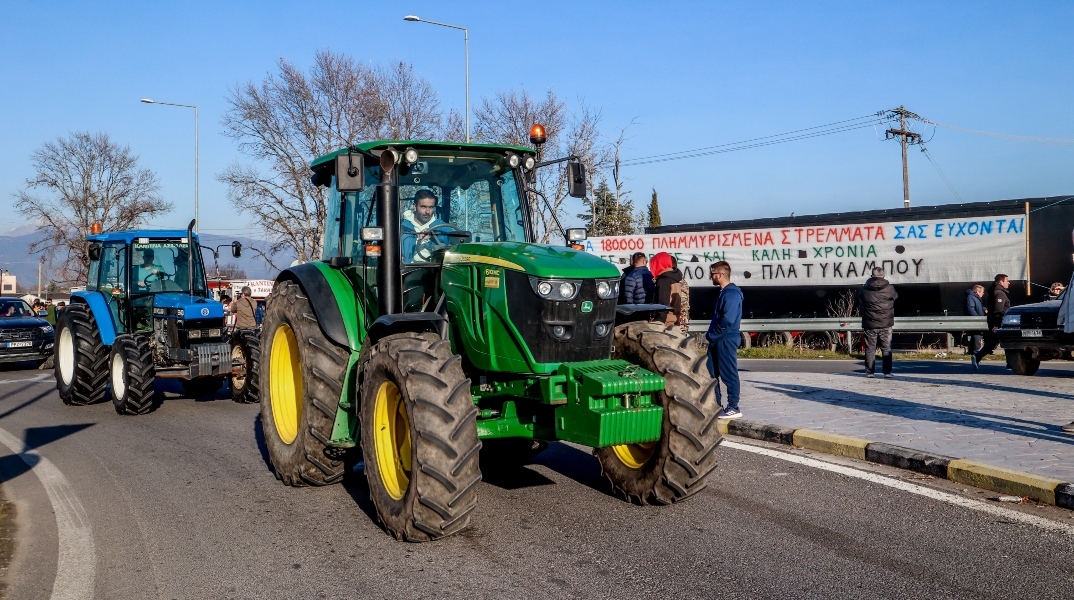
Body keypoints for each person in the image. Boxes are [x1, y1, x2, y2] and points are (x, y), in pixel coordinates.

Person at [706, 261, 743, 420]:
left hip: (725, 339)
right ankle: (716, 405)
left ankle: (733, 407)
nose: (711, 277)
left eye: (712, 274)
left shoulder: (732, 294)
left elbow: (728, 319)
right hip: (717, 340)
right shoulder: (724, 292)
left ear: (720, 275)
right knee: (710, 372)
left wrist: (716, 332)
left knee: (729, 373)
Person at [856, 267, 898, 378]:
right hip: (886, 322)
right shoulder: (890, 288)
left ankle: (869, 372)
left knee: (870, 348)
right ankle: (887, 372)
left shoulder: (865, 289)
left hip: (870, 324)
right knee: (886, 348)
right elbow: (895, 297)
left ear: (872, 275)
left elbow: (860, 300)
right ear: (883, 276)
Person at [972, 274, 1011, 370]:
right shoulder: (999, 293)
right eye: (1007, 281)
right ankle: (978, 356)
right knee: (1003, 341)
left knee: (999, 341)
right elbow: (998, 310)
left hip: (995, 321)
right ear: (1001, 282)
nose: (1008, 283)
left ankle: (1010, 363)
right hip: (999, 322)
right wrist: (997, 324)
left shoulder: (994, 291)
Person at [401, 190, 452, 263]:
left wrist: (433, 235)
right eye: (423, 207)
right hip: (408, 269)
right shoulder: (402, 226)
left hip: (436, 269)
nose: (427, 212)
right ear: (415, 206)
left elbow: (452, 240)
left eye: (431, 207)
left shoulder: (441, 227)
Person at [649, 252, 685, 330]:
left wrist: (658, 324)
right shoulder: (675, 278)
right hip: (674, 321)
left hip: (664, 324)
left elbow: (663, 306)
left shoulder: (664, 281)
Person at [965, 284, 985, 354]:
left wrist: (984, 309)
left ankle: (972, 351)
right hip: (975, 320)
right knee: (977, 334)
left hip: (976, 319)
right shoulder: (971, 297)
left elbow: (977, 307)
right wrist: (977, 318)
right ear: (977, 292)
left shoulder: (975, 298)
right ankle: (976, 351)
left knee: (975, 335)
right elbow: (971, 309)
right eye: (982, 292)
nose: (983, 293)